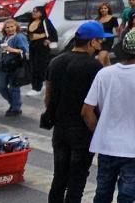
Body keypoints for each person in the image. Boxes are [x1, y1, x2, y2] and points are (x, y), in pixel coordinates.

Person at [81, 28, 135, 203]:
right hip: (133, 148)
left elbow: (86, 111)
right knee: (127, 196)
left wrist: (100, 131)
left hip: (106, 146)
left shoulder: (104, 73)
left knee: (102, 193)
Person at [45, 21, 109, 203]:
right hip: (81, 131)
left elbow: (47, 98)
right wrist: (99, 132)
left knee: (59, 177)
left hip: (60, 129)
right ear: (91, 42)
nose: (101, 45)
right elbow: (93, 107)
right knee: (77, 180)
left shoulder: (55, 61)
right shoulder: (94, 67)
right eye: (100, 41)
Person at [0, 20, 29, 116]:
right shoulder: (5, 38)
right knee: (0, 86)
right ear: (4, 29)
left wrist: (11, 50)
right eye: (7, 27)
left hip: (15, 66)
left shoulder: (19, 37)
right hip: (4, 66)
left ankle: (16, 108)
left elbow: (25, 52)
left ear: (16, 27)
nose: (10, 29)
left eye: (12, 26)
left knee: (14, 88)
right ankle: (14, 103)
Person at [25, 8, 56, 96]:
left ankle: (37, 87)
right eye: (33, 11)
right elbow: (29, 35)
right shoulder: (31, 22)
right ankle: (37, 85)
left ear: (41, 13)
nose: (34, 13)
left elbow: (53, 33)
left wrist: (48, 40)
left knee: (40, 67)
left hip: (42, 48)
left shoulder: (45, 21)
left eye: (36, 11)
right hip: (33, 47)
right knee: (33, 66)